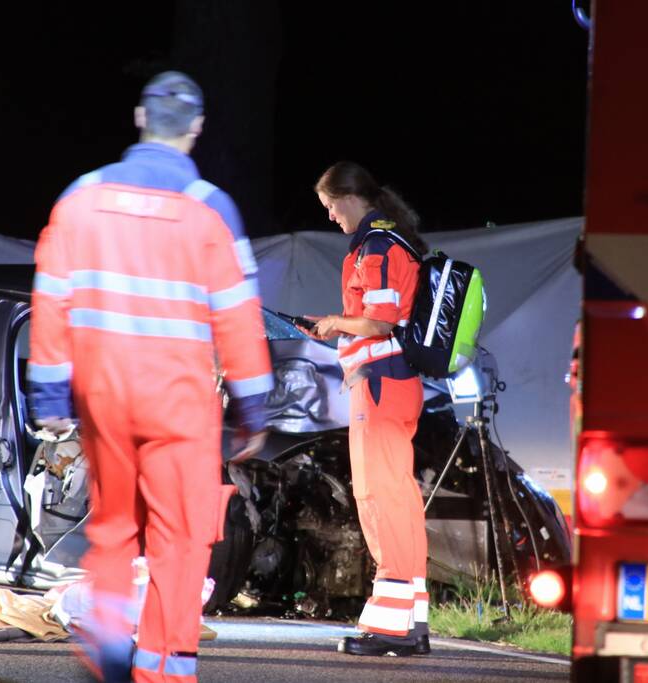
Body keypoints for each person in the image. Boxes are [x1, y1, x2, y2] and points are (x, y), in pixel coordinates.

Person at [28, 71, 272, 683]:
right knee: (181, 541)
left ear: (139, 118)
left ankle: (106, 641)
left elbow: (51, 299)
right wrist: (253, 410)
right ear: (196, 127)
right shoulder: (212, 208)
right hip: (180, 403)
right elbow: (240, 320)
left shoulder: (81, 196)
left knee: (112, 526)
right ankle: (163, 669)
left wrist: (51, 391)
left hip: (104, 394)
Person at [308, 161, 431, 657]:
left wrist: (339, 321)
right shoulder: (394, 240)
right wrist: (338, 323)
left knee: (381, 500)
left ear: (349, 197)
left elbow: (379, 323)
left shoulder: (374, 248)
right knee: (399, 498)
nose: (332, 217)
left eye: (331, 207)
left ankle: (390, 627)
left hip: (379, 387)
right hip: (397, 385)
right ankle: (412, 623)